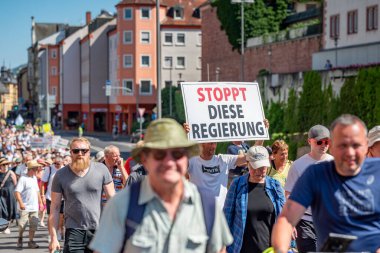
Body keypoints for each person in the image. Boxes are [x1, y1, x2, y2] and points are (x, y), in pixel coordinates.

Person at [90, 118, 233, 253]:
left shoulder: (207, 205)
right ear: (145, 159)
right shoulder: (121, 205)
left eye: (177, 154)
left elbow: (220, 250)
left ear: (186, 158)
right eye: (160, 155)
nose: (169, 162)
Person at [272, 114, 380, 252]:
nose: (350, 152)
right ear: (333, 147)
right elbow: (286, 220)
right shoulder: (316, 175)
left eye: (356, 145)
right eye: (343, 145)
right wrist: (280, 249)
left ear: (366, 146)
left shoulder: (377, 171)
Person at [48, 137, 115, 253]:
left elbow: (113, 200)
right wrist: (54, 238)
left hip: (98, 230)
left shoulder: (101, 169)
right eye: (76, 151)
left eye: (84, 151)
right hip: (73, 230)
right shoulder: (60, 175)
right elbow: (55, 208)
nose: (80, 154)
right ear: (70, 153)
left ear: (89, 152)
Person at [224, 146, 285, 253]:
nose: (258, 171)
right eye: (254, 167)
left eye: (262, 168)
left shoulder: (275, 186)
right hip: (240, 248)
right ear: (247, 164)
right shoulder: (237, 185)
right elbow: (227, 216)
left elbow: (283, 217)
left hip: (269, 249)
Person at [284, 125, 334, 253]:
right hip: (305, 221)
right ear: (309, 141)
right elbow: (289, 194)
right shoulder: (297, 165)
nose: (323, 145)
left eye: (327, 142)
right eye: (319, 142)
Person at [14, 160, 45, 249]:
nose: (38, 171)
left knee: (34, 225)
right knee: (22, 225)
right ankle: (20, 237)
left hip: (34, 207)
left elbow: (37, 191)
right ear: (31, 169)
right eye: (36, 169)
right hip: (24, 207)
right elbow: (17, 192)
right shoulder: (23, 178)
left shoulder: (34, 178)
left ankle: (31, 241)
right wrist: (21, 203)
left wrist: (41, 203)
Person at [41, 156, 65, 240]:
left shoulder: (65, 169)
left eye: (58, 164)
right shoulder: (49, 169)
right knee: (51, 216)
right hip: (50, 196)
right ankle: (51, 234)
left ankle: (58, 231)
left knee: (61, 217)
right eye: (54, 163)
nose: (56, 165)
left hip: (62, 197)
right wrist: (42, 195)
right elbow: (43, 183)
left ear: (62, 163)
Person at [0, 158, 17, 234]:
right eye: (4, 164)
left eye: (7, 164)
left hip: (10, 194)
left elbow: (15, 184)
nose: (5, 166)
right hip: (1, 194)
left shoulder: (11, 173)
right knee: (1, 210)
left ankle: (7, 227)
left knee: (10, 210)